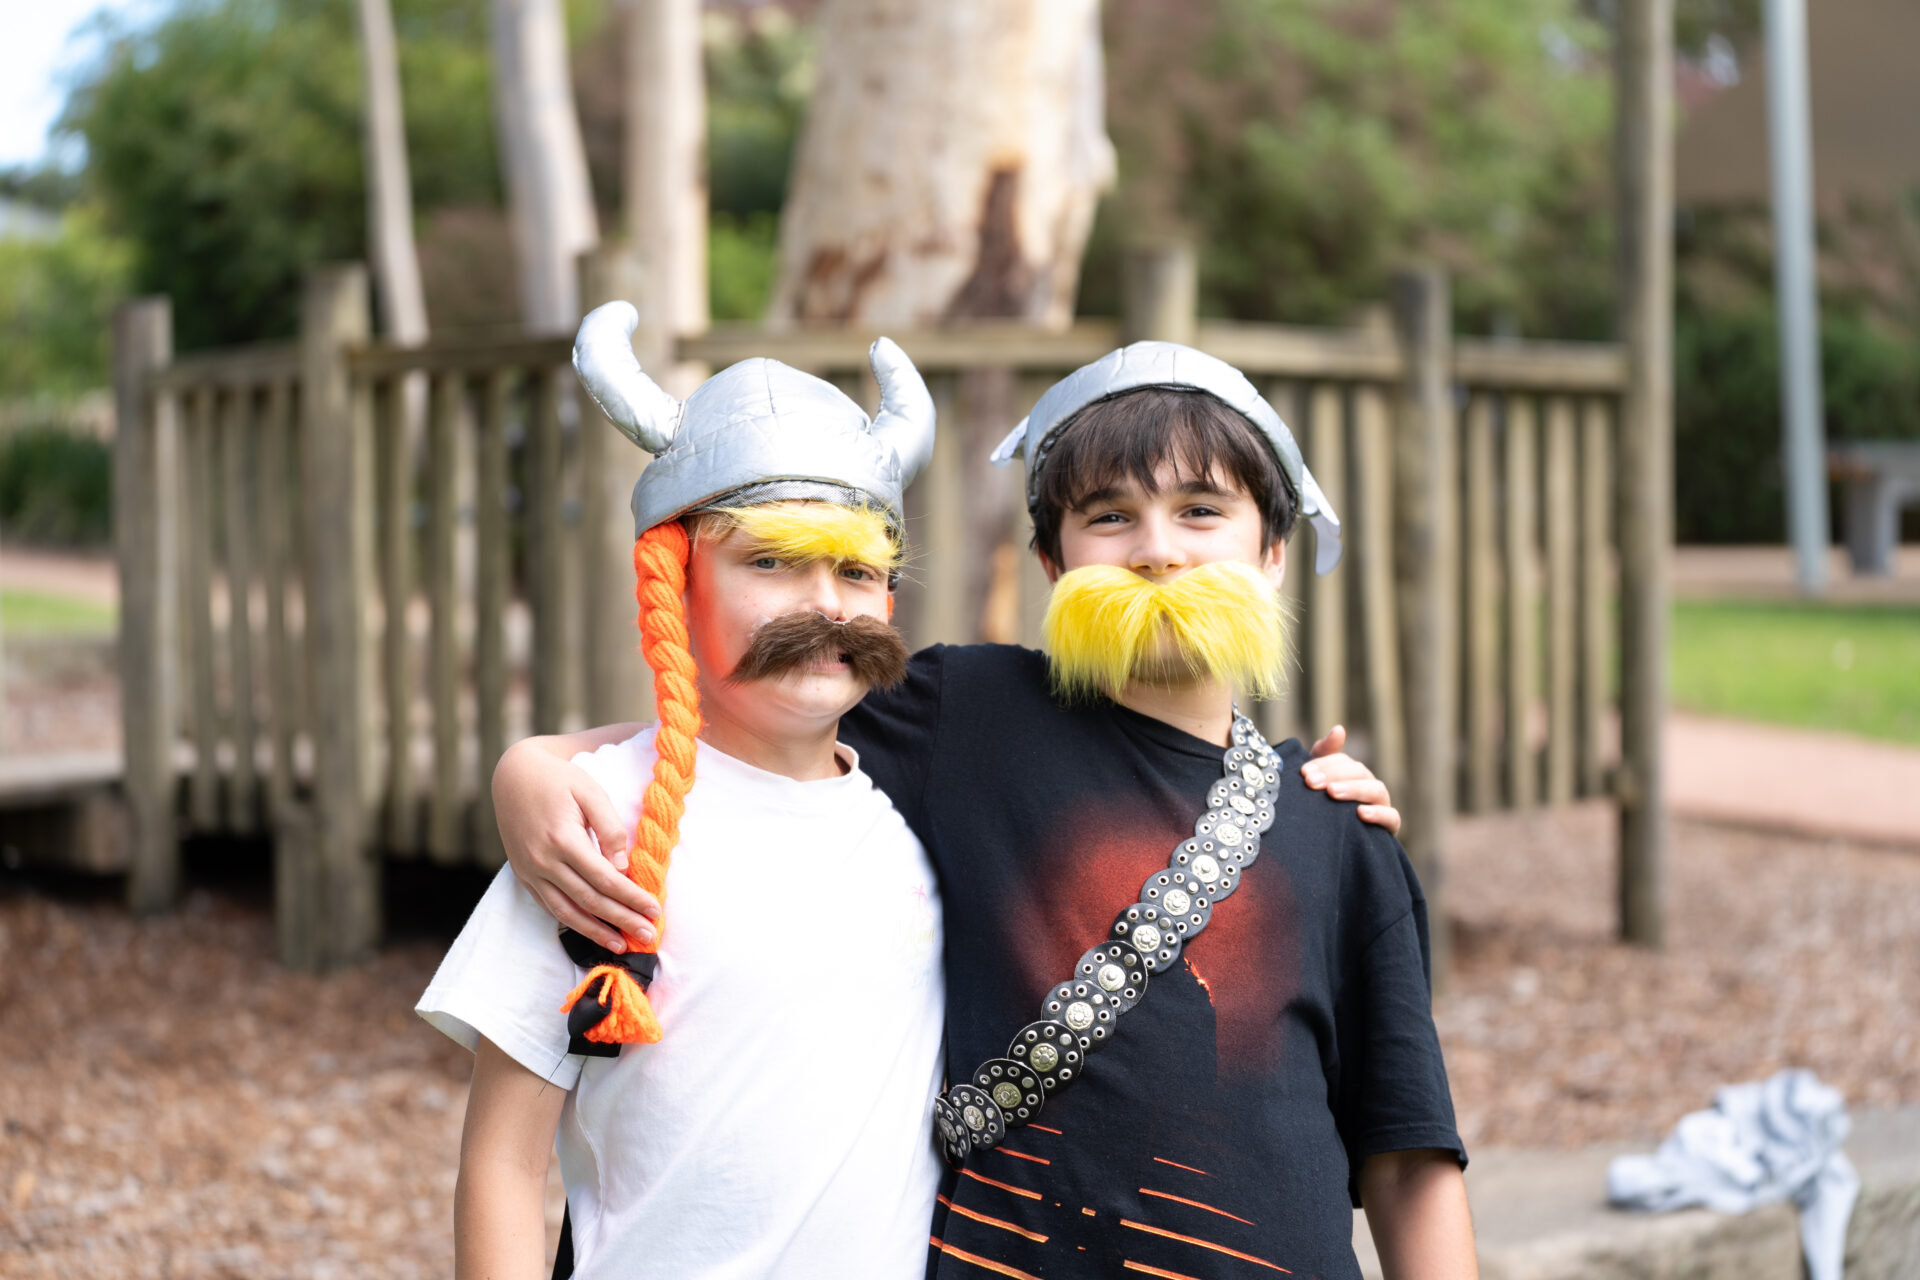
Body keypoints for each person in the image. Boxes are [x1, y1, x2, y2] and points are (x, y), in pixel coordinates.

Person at [496, 341, 1468, 1278]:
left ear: (1274, 550)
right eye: (1110, 515)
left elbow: (1408, 1155)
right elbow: (765, 707)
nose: (1159, 550)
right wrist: (533, 764)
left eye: (1202, 509)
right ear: (1051, 559)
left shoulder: (1338, 830)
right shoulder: (961, 713)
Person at [418, 305, 952, 1278]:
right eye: (771, 561)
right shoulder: (590, 831)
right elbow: (503, 1157)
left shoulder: (917, 827)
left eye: (855, 569)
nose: (825, 603)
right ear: (675, 584)